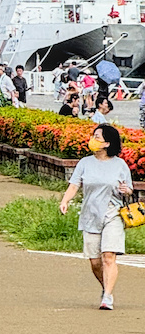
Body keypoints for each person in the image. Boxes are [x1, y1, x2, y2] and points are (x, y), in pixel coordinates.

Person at [59, 123, 135, 310]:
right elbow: (75, 185)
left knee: (108, 256)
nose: (93, 139)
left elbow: (129, 189)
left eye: (98, 137)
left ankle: (107, 296)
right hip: (90, 215)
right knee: (95, 262)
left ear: (107, 143)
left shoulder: (120, 165)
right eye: (93, 135)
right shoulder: (85, 163)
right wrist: (65, 201)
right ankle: (105, 287)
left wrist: (127, 190)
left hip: (113, 214)